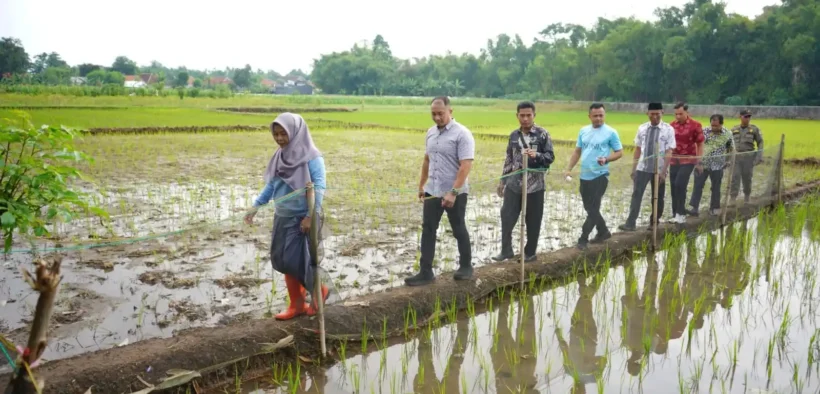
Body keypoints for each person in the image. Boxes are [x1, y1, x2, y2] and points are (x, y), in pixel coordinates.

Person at [244, 112, 328, 321]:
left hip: (301, 219)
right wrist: (256, 206)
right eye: (276, 134)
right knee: (282, 261)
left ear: (296, 132)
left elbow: (319, 187)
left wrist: (310, 216)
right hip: (282, 215)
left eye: (284, 134)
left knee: (297, 261)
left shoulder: (312, 157)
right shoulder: (280, 156)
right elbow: (272, 185)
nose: (280, 138)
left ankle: (320, 291)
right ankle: (297, 304)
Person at [405, 96, 475, 287]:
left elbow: (465, 165)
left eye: (440, 113)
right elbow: (427, 160)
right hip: (433, 191)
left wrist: (453, 192)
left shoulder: (462, 134)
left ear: (450, 111)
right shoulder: (430, 133)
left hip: (455, 192)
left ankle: (466, 266)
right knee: (428, 229)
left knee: (458, 228)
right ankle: (425, 271)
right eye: (433, 114)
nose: (437, 117)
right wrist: (422, 185)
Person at [493, 101, 555, 262]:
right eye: (522, 115)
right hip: (514, 184)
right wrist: (503, 181)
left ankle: (530, 253)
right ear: (517, 116)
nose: (525, 119)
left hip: (535, 186)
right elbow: (509, 159)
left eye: (529, 115)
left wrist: (537, 155)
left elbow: (550, 157)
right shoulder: (514, 135)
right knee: (506, 216)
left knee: (533, 220)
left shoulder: (542, 134)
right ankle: (506, 250)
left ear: (534, 115)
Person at [564, 103, 624, 250]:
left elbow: (619, 152)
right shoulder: (583, 131)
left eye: (601, 115)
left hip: (600, 175)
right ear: (589, 116)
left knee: (593, 208)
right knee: (589, 207)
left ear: (604, 115)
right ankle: (603, 231)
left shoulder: (611, 132)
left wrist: (606, 159)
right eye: (595, 116)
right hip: (585, 176)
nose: (598, 118)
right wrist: (569, 168)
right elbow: (577, 151)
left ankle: (583, 238)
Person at [618, 102, 675, 232]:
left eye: (657, 114)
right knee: (636, 195)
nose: (655, 116)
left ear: (662, 113)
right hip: (642, 167)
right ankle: (630, 223)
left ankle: (654, 222)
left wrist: (664, 172)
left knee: (658, 197)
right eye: (652, 114)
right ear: (647, 113)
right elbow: (638, 149)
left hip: (659, 169)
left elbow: (669, 151)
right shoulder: (642, 128)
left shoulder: (668, 129)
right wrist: (634, 168)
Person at [687, 114, 734, 217]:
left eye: (716, 126)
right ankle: (694, 208)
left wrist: (728, 161)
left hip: (718, 166)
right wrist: (697, 161)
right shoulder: (704, 131)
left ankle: (714, 208)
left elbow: (731, 149)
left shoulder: (727, 134)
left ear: (721, 124)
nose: (713, 128)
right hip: (702, 164)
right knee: (698, 186)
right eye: (712, 125)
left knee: (716, 187)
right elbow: (697, 146)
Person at [669, 102, 704, 224]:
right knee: (673, 186)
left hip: (689, 159)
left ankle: (681, 213)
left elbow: (700, 144)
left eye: (680, 114)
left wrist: (699, 161)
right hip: (674, 160)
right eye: (676, 114)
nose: (678, 116)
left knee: (680, 184)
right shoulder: (671, 125)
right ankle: (675, 214)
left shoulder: (696, 125)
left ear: (687, 112)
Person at [730, 109, 764, 204]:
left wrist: (759, 157)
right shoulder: (733, 129)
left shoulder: (754, 129)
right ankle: (733, 198)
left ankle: (747, 196)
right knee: (735, 177)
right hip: (736, 158)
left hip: (748, 158)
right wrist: (728, 157)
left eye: (749, 117)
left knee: (747, 177)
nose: (747, 118)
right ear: (740, 117)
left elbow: (760, 142)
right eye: (745, 116)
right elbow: (728, 144)